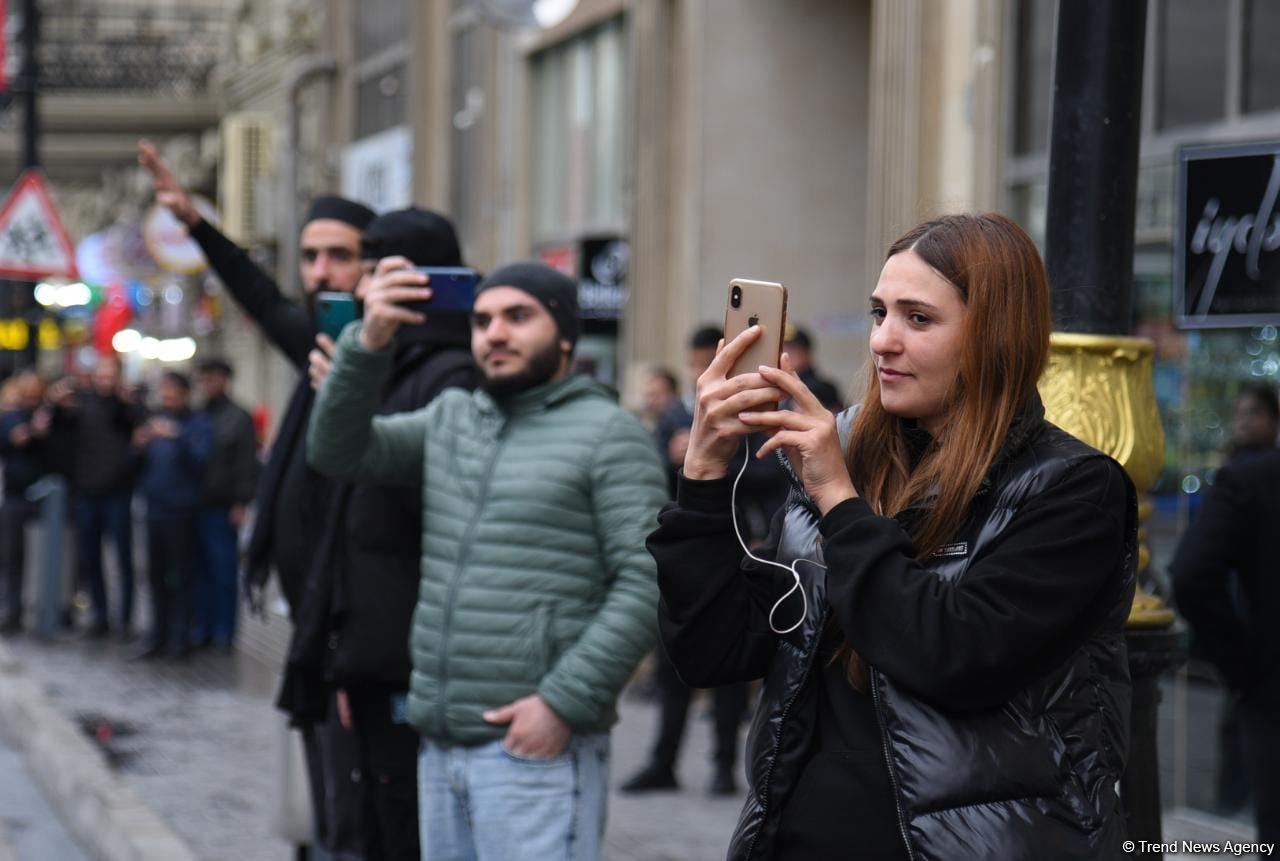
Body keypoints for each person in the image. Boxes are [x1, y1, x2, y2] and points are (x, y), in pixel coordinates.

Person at [652, 212, 1137, 859]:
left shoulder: (1071, 487)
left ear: (994, 335)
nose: (883, 340)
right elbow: (713, 651)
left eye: (918, 319)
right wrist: (703, 476)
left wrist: (839, 500)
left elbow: (952, 653)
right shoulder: (847, 451)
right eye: (879, 313)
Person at [307, 261, 667, 860]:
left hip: (535, 747)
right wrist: (366, 344)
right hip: (439, 741)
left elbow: (648, 579)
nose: (494, 333)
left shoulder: (610, 433)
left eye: (517, 317)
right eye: (481, 321)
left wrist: (561, 704)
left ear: (565, 336)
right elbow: (338, 452)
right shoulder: (453, 418)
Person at [140, 139, 375, 857]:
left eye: (339, 255)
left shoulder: (379, 355)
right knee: (320, 790)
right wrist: (195, 224)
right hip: (307, 611)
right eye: (310, 257)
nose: (321, 272)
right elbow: (261, 297)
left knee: (354, 804)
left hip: (354, 622)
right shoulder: (319, 349)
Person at [281, 207, 479, 861]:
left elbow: (429, 511)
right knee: (360, 826)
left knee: (399, 831)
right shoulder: (379, 360)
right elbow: (337, 480)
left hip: (406, 660)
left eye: (371, 272)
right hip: (363, 650)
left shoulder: (451, 373)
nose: (355, 287)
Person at [623, 328, 784, 798]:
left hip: (742, 543)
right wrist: (682, 459)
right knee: (675, 660)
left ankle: (722, 764)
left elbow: (772, 471)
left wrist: (716, 458)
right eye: (695, 362)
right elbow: (654, 472)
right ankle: (663, 760)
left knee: (730, 663)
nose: (699, 370)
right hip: (686, 544)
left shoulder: (759, 408)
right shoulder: (678, 412)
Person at [1172, 388, 1280, 843]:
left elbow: (1191, 574)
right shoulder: (1243, 475)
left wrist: (1240, 662)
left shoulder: (1249, 480)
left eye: (1254, 414)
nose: (1243, 422)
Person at [49, 354, 144, 637]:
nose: (105, 380)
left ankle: (125, 619)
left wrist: (127, 403)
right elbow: (60, 432)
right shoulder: (82, 404)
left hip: (117, 493)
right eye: (101, 375)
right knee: (90, 557)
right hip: (87, 492)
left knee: (123, 557)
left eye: (109, 375)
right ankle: (100, 615)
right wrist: (56, 406)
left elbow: (136, 425)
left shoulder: (127, 407)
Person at [132, 371, 212, 660]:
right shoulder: (154, 422)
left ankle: (181, 638)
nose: (166, 397)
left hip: (181, 511)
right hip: (154, 509)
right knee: (155, 576)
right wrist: (139, 446)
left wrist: (177, 437)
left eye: (171, 391)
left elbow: (201, 462)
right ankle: (157, 635)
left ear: (184, 394)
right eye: (163, 391)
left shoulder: (197, 423)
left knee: (181, 577)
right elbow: (137, 465)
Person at [192, 358, 259, 652]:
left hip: (222, 505)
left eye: (212, 378)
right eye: (204, 379)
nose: (207, 384)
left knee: (223, 570)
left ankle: (224, 631)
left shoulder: (239, 418)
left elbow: (246, 463)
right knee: (200, 570)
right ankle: (202, 627)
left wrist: (242, 501)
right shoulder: (198, 415)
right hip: (196, 503)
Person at [0, 370, 52, 633]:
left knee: (48, 554)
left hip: (48, 497)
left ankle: (50, 609)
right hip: (15, 495)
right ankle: (13, 610)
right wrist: (33, 431)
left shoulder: (49, 415)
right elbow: (14, 439)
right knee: (12, 556)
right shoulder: (11, 417)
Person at [782, 324, 842, 412]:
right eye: (783, 348)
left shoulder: (822, 389)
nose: (786, 353)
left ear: (806, 353)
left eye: (792, 349)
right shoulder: (780, 384)